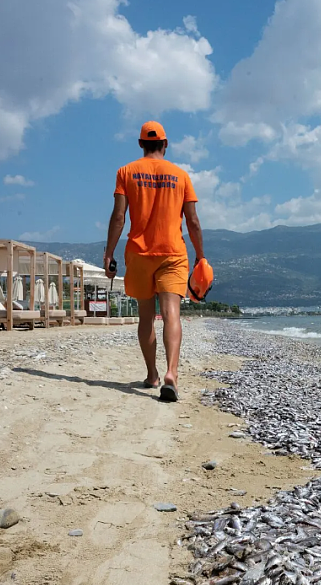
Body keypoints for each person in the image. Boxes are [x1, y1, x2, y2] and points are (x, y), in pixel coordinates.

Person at [104, 120, 204, 402]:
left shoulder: (126, 172)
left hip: (139, 252)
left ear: (140, 144)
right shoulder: (181, 175)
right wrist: (201, 256)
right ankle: (172, 373)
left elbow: (119, 217)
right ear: (166, 144)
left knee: (146, 316)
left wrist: (109, 253)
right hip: (173, 252)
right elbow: (193, 222)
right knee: (172, 313)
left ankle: (152, 374)